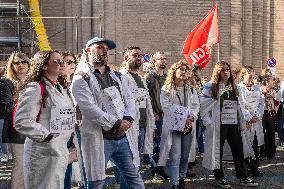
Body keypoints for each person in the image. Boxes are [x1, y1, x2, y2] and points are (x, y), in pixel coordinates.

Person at [71, 37, 144, 189]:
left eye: (106, 48)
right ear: (87, 51)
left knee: (134, 177)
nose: (104, 50)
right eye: (99, 47)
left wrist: (128, 119)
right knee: (96, 181)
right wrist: (117, 123)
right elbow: (89, 109)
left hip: (122, 138)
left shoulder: (118, 77)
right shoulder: (81, 79)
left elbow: (129, 100)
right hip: (100, 139)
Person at [14, 50, 75, 189]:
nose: (62, 64)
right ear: (44, 66)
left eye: (62, 61)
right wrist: (47, 136)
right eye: (57, 61)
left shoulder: (61, 88)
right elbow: (21, 120)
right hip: (42, 151)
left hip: (60, 150)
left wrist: (72, 143)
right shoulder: (36, 88)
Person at [200, 61, 258, 188]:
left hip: (233, 123)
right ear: (218, 72)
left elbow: (240, 106)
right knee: (217, 151)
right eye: (223, 70)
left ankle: (243, 177)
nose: (226, 72)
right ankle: (219, 177)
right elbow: (203, 104)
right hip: (218, 123)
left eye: (227, 70)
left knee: (238, 149)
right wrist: (208, 122)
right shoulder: (210, 86)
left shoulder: (233, 86)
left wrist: (247, 118)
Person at [158, 60, 199, 189]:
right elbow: (166, 106)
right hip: (174, 126)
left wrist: (191, 118)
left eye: (186, 70)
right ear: (174, 71)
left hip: (188, 126)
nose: (184, 72)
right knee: (175, 155)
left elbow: (196, 105)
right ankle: (174, 182)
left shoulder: (191, 89)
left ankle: (182, 178)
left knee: (185, 155)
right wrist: (183, 119)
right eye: (181, 69)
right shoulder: (167, 88)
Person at [120, 46, 155, 166]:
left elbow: (146, 102)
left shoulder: (141, 79)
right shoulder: (121, 77)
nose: (139, 58)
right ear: (126, 58)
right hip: (129, 124)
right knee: (127, 160)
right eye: (135, 55)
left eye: (140, 55)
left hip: (142, 124)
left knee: (136, 158)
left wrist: (151, 124)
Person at [0, 52, 29, 189]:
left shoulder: (34, 81)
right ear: (11, 66)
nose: (21, 65)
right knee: (21, 164)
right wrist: (17, 95)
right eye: (17, 62)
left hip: (35, 128)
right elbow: (4, 109)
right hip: (15, 130)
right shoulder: (6, 82)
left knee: (32, 164)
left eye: (24, 62)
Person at [145, 51, 168, 179]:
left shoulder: (167, 77)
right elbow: (148, 98)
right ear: (154, 61)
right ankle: (156, 170)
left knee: (164, 144)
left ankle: (162, 168)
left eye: (164, 58)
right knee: (155, 144)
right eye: (160, 59)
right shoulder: (149, 78)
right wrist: (153, 114)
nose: (163, 61)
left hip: (167, 116)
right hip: (156, 116)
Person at [238, 66, 264, 177]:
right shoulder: (238, 88)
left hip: (255, 121)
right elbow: (240, 105)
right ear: (243, 75)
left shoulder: (257, 88)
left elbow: (261, 103)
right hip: (245, 121)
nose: (252, 75)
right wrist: (248, 117)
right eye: (249, 73)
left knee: (254, 145)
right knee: (244, 145)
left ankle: (254, 168)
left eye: (252, 72)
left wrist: (257, 115)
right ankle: (244, 168)